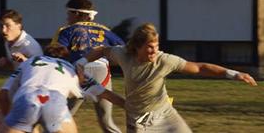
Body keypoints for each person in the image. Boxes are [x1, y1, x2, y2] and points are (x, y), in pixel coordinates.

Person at [75, 23, 258, 133]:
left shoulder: (165, 60)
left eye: (156, 45)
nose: (154, 50)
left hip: (166, 114)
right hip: (138, 121)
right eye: (149, 46)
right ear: (137, 47)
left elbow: (200, 67)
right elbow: (100, 50)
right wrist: (82, 62)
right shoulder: (123, 55)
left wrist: (234, 74)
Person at [0, 44, 125, 133]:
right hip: (55, 102)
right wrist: (133, 107)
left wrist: (8, 117)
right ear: (66, 58)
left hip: (27, 98)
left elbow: (2, 95)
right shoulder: (73, 68)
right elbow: (107, 94)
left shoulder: (30, 62)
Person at [51, 0, 125, 133]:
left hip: (79, 71)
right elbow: (123, 48)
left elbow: (56, 52)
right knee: (106, 121)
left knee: (60, 119)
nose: (67, 17)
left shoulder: (66, 30)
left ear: (77, 14)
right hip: (102, 71)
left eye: (69, 13)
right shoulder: (105, 29)